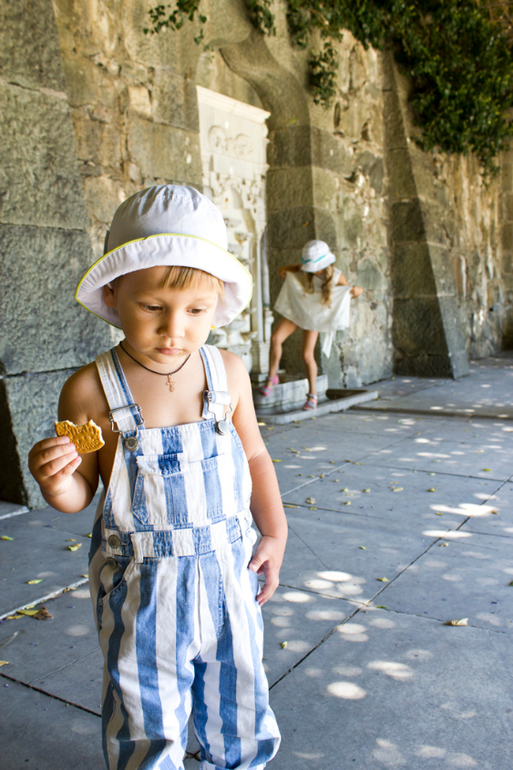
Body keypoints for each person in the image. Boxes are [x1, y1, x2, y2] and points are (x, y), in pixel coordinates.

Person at [28, 185, 286, 770]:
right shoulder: (93, 391)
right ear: (115, 293)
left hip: (229, 573)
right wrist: (55, 480)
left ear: (216, 302)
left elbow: (254, 456)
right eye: (153, 308)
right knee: (144, 715)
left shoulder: (227, 373)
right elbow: (83, 492)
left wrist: (273, 531)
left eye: (196, 311)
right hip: (142, 592)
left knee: (241, 701)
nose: (175, 330)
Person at [259, 240, 363, 410]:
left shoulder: (337, 276)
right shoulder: (305, 269)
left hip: (315, 316)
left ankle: (312, 395)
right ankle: (272, 377)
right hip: (301, 307)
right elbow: (284, 269)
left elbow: (350, 293)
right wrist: (284, 272)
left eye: (316, 267)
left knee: (307, 355)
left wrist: (354, 291)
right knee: (276, 337)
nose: (313, 271)